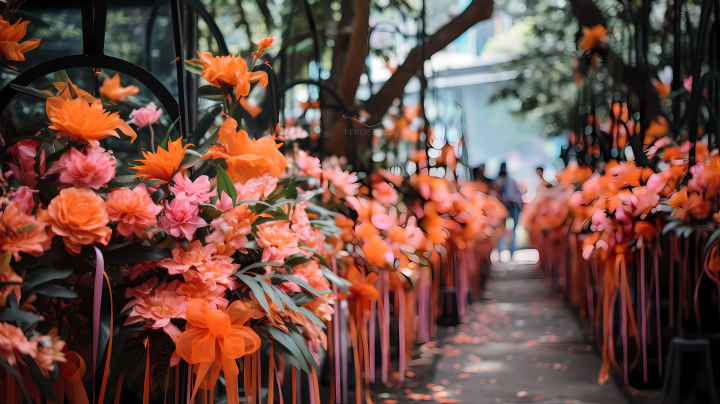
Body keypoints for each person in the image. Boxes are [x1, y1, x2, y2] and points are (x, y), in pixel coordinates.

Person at [495, 162, 523, 253]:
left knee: (510, 230)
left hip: (511, 207)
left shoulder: (504, 180)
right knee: (501, 230)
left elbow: (518, 194)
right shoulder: (499, 181)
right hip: (504, 208)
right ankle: (503, 251)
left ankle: (509, 251)